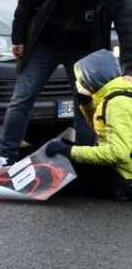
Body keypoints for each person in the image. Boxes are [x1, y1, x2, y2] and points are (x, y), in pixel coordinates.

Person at [0, 0, 132, 170]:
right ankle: (5, 156)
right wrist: (18, 38)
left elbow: (128, 31)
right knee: (22, 97)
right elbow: (26, 2)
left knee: (85, 105)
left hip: (83, 51)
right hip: (44, 45)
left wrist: (129, 71)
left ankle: (81, 160)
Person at [44, 49, 132, 200]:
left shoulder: (117, 103)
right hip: (125, 172)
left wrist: (70, 151)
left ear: (91, 79)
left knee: (63, 171)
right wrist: (87, 105)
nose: (77, 83)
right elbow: (104, 131)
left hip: (125, 181)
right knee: (65, 149)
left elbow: (118, 153)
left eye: (80, 80)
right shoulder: (117, 95)